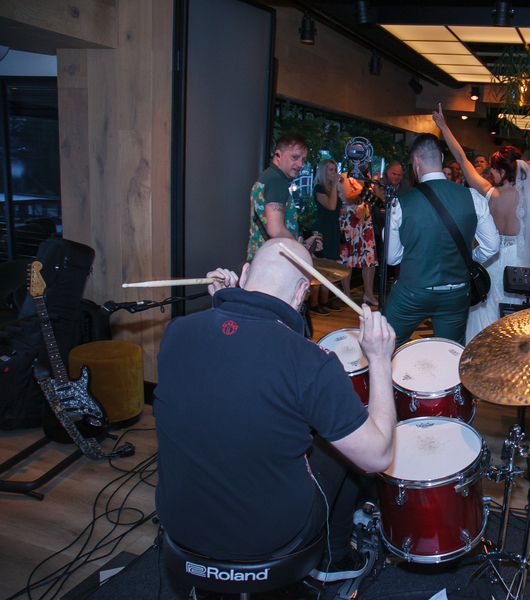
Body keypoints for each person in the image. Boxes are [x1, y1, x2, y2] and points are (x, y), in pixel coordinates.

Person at [154, 238, 397, 580]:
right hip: (269, 537)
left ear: (244, 273)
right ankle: (335, 559)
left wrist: (223, 307)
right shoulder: (310, 362)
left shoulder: (176, 333)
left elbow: (226, 372)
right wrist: (380, 359)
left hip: (181, 524)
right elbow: (379, 457)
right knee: (343, 446)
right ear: (301, 293)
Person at [432, 105, 530, 342]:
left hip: (490, 263)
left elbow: (461, 159)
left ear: (504, 171)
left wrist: (443, 126)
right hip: (517, 267)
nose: (490, 171)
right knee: (513, 319)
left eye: (494, 168)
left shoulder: (488, 192)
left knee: (484, 312)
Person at [384, 129, 500, 346]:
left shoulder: (399, 202)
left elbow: (392, 258)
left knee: (384, 344)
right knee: (450, 352)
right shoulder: (473, 197)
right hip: (455, 295)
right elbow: (492, 246)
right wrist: (467, 259)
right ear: (441, 158)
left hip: (412, 292)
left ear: (415, 161)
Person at [247, 133, 308, 261]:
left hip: (260, 258)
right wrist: (302, 249)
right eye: (294, 157)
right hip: (272, 262)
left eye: (303, 159)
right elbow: (276, 230)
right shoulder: (277, 181)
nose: (300, 164)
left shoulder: (267, 177)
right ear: (278, 154)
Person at [339, 169, 379, 307]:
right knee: (347, 258)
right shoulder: (345, 177)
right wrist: (364, 190)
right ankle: (346, 294)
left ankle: (368, 293)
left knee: (369, 258)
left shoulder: (367, 180)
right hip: (350, 222)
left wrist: (374, 185)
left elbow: (377, 200)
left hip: (364, 221)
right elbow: (348, 198)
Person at [310, 159, 343, 316]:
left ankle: (325, 300)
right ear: (323, 171)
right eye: (330, 170)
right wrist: (335, 186)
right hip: (323, 229)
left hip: (333, 228)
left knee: (331, 266)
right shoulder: (319, 187)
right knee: (321, 266)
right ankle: (314, 303)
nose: (333, 173)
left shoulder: (331, 188)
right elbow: (330, 206)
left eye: (335, 169)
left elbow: (335, 208)